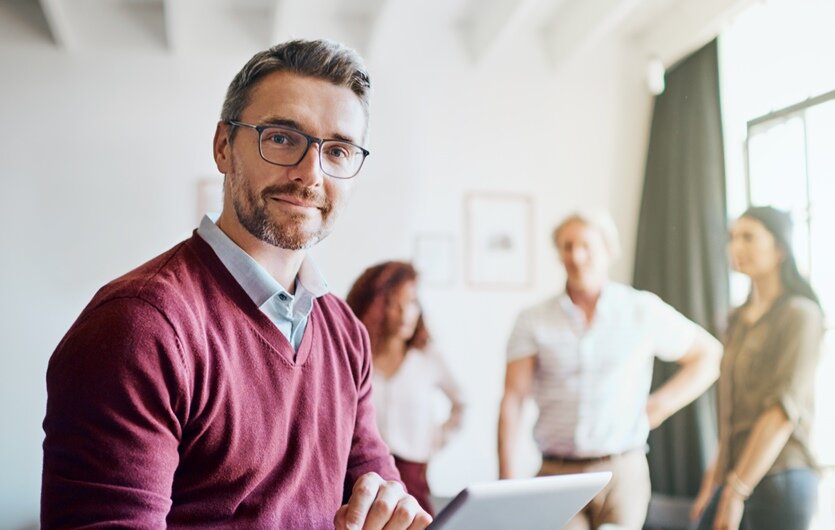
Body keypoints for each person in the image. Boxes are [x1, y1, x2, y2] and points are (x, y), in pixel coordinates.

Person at [41, 39, 432, 530]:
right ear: (224, 146)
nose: (311, 174)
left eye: (337, 150)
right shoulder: (138, 325)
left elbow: (378, 491)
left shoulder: (346, 333)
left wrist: (394, 511)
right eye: (283, 138)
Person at [497, 209, 723, 530]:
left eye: (586, 246)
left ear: (608, 251)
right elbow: (513, 399)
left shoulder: (641, 309)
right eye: (567, 246)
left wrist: (658, 407)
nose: (576, 256)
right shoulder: (532, 320)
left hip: (623, 472)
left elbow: (709, 355)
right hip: (556, 474)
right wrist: (506, 481)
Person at [692, 206, 824, 530]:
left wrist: (736, 492)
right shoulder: (735, 319)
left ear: (779, 249)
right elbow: (729, 412)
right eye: (733, 237)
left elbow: (783, 410)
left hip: (782, 477)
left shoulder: (801, 315)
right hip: (734, 476)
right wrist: (713, 483)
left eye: (749, 237)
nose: (736, 247)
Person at [346, 261, 465, 517]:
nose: (405, 313)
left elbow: (463, 402)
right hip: (360, 484)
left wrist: (433, 442)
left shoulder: (427, 358)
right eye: (393, 303)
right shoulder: (354, 357)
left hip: (414, 479)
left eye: (411, 302)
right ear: (374, 306)